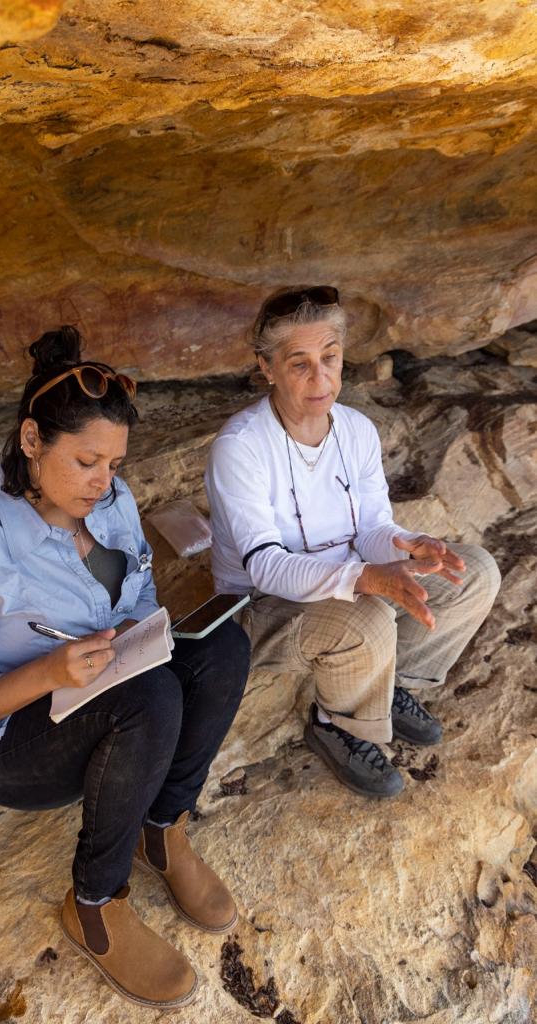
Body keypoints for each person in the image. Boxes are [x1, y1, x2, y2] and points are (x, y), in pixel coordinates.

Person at [0, 326, 250, 1011]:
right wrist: (49, 673)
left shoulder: (113, 504)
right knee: (148, 698)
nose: (104, 482)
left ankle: (164, 828)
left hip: (96, 685)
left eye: (115, 464)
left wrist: (143, 626)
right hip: (0, 747)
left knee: (221, 649)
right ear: (32, 442)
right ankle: (96, 902)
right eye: (87, 461)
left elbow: (141, 594)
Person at [205, 286, 500, 799]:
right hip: (263, 605)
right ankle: (339, 724)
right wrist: (363, 577)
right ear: (267, 367)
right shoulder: (240, 448)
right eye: (299, 364)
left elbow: (370, 529)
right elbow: (264, 566)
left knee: (473, 573)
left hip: (349, 575)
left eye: (330, 358)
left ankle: (391, 684)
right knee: (367, 618)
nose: (320, 378)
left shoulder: (357, 430)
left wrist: (410, 545)